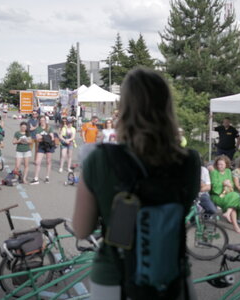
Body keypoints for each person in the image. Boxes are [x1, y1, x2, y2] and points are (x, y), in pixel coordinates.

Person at [72, 68, 199, 299]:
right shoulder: (189, 160)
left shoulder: (100, 158)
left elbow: (82, 229)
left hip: (115, 278)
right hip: (172, 275)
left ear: (126, 108)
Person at [210, 155, 240, 234]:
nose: (220, 166)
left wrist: (229, 184)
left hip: (228, 193)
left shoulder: (228, 171)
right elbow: (214, 187)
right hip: (217, 195)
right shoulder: (214, 172)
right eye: (218, 164)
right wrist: (223, 183)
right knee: (236, 198)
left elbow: (231, 184)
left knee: (233, 199)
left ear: (226, 164)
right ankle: (235, 226)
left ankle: (228, 214)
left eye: (222, 164)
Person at [30, 116, 55, 185]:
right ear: (39, 121)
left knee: (48, 161)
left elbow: (52, 138)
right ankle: (36, 178)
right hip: (41, 146)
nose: (42, 121)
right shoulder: (38, 128)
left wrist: (43, 137)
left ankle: (47, 177)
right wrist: (46, 137)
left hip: (49, 146)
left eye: (43, 120)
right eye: (41, 120)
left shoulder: (49, 128)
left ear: (45, 121)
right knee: (37, 162)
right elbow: (38, 138)